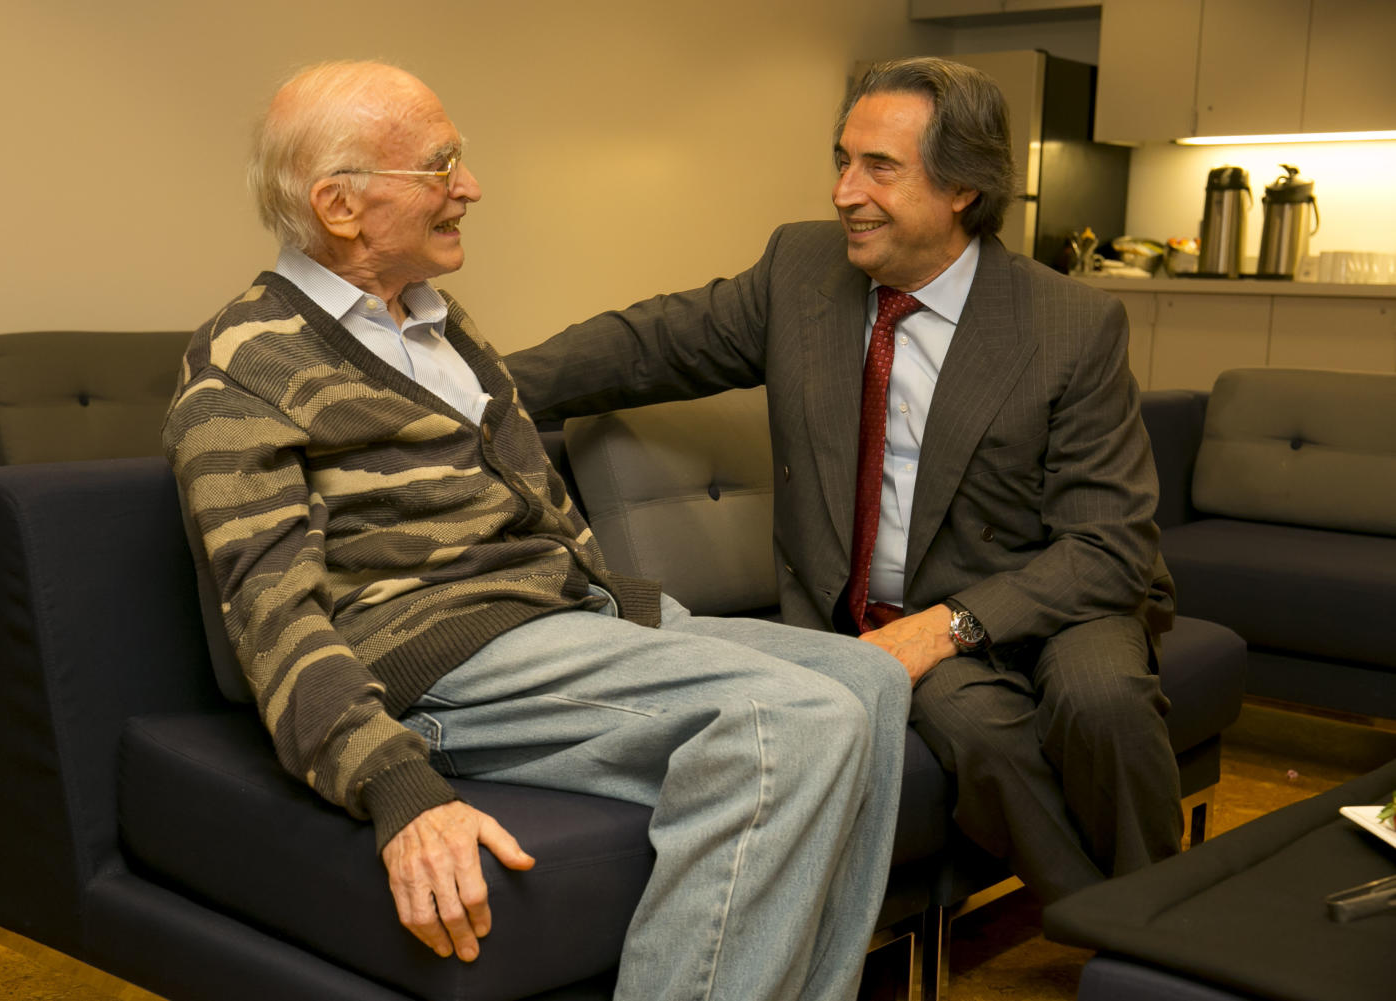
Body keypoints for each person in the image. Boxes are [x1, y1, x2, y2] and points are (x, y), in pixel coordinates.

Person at [162, 60, 910, 1001]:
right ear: (340, 207)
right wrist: (395, 788)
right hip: (437, 656)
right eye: (440, 168)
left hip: (566, 620)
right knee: (789, 716)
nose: (468, 188)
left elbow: (539, 515)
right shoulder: (243, 363)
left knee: (872, 679)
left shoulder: (441, 328)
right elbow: (269, 616)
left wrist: (623, 614)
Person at [506, 56, 1182, 904]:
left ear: (962, 187)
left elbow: (1106, 544)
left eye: (879, 167)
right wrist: (466, 387)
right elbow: (650, 343)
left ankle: (1165, 926)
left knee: (1103, 700)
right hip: (890, 615)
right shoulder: (800, 270)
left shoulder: (1068, 324)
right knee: (977, 727)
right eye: (841, 159)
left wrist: (954, 624)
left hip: (1052, 592)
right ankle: (1117, 929)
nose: (843, 191)